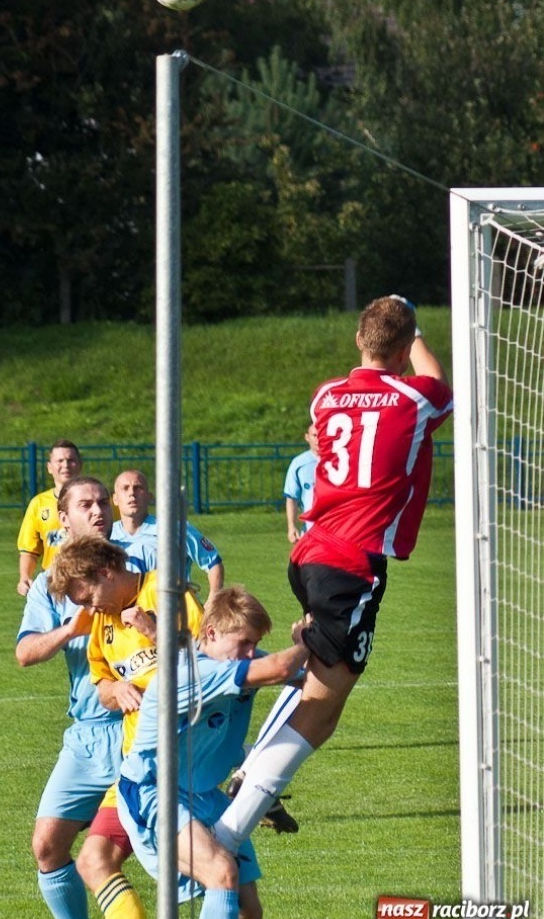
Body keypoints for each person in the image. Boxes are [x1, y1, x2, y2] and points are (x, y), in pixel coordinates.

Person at [213, 295, 454, 855]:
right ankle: (230, 824)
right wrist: (412, 324)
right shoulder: (414, 398)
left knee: (318, 682)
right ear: (402, 348)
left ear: (356, 341)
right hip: (352, 563)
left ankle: (245, 776)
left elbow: (332, 434)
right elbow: (434, 377)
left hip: (312, 551)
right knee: (321, 711)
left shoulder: (327, 395)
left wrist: (399, 328)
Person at [116, 586, 310, 919]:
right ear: (211, 633)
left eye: (255, 644)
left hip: (203, 794)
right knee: (221, 872)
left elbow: (304, 679)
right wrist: (307, 642)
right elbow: (282, 668)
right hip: (153, 794)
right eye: (244, 643)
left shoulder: (236, 660)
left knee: (248, 914)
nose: (251, 653)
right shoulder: (191, 673)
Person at [48, 534, 209, 919]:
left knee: (211, 872)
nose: (88, 608)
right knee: (94, 859)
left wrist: (156, 634)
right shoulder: (103, 621)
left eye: (86, 597)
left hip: (183, 760)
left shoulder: (165, 591)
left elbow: (209, 662)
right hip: (136, 765)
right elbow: (102, 686)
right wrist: (115, 689)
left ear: (106, 572)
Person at [16, 476, 152, 919]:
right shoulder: (47, 586)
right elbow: (25, 653)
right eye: (85, 504)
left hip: (143, 725)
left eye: (102, 503)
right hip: (89, 734)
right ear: (63, 515)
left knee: (175, 851)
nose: (98, 511)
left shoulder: (142, 564)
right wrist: (69, 632)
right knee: (47, 845)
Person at [111, 469, 224, 598]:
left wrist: (214, 598)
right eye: (125, 488)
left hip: (173, 613)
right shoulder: (108, 536)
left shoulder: (173, 528)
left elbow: (213, 562)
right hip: (126, 614)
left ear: (149, 497)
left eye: (138, 488)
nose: (132, 493)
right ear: (115, 499)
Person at [16, 439, 82, 596]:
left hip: (90, 579)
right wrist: (24, 577)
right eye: (60, 461)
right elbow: (29, 550)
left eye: (71, 460)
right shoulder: (38, 504)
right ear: (49, 467)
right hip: (53, 582)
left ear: (80, 464)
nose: (65, 465)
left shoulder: (98, 500)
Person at [283, 424, 320, 543]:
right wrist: (291, 526)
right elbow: (291, 498)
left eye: (322, 435)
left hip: (336, 530)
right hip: (310, 532)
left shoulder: (340, 461)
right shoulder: (299, 463)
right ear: (307, 437)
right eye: (315, 435)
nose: (318, 439)